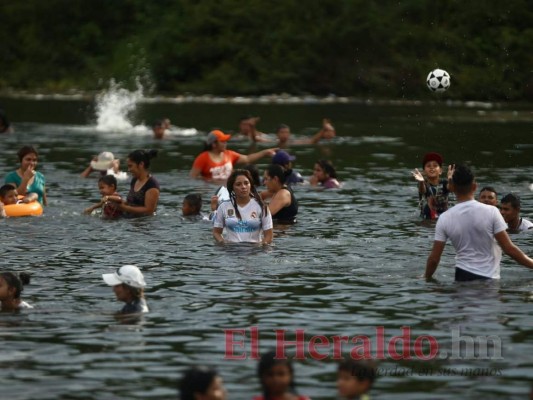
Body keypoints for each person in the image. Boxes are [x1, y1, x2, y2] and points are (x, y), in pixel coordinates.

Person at [425, 164, 533, 281]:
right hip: (488, 280)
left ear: (452, 187)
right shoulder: (492, 212)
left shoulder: (445, 217)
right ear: (475, 186)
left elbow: (434, 259)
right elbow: (509, 249)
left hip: (461, 278)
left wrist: (426, 277)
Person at [213, 169, 273, 244]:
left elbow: (269, 236)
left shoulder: (262, 207)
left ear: (250, 185)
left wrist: (260, 246)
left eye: (246, 183)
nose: (243, 187)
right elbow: (216, 232)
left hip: (254, 252)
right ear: (233, 188)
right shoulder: (223, 207)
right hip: (231, 251)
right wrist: (223, 243)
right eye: (238, 184)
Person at [190, 130, 277, 181]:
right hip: (211, 192)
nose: (225, 143)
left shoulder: (229, 154)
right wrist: (210, 181)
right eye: (222, 141)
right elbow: (193, 178)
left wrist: (265, 152)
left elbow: (247, 158)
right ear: (214, 144)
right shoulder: (203, 158)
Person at [110, 149, 160, 217]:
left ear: (141, 164)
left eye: (130, 166)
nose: (128, 169)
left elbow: (149, 210)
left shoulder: (152, 185)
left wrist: (124, 208)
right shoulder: (135, 180)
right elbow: (131, 202)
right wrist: (117, 203)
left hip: (144, 224)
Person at [411, 152, 452, 220]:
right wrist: (421, 182)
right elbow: (422, 190)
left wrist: (450, 180)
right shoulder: (423, 184)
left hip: (444, 220)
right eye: (428, 166)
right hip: (426, 221)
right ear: (424, 171)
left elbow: (451, 188)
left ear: (440, 171)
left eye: (435, 165)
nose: (432, 168)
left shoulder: (445, 183)